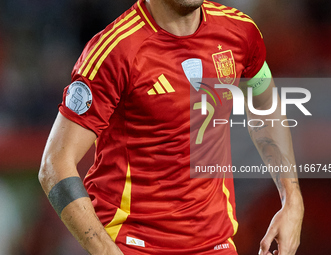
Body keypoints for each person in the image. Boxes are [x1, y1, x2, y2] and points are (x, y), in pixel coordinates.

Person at [38, 0, 304, 254]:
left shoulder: (240, 31)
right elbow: (55, 164)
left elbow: (266, 105)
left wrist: (292, 198)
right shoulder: (115, 51)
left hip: (216, 245)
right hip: (134, 244)